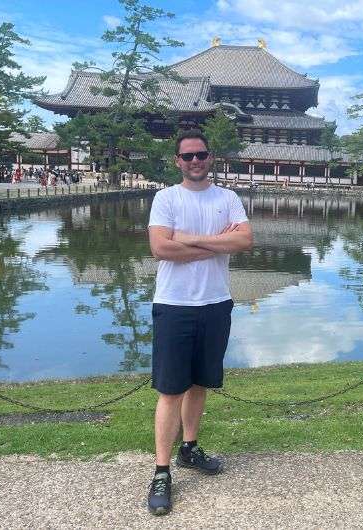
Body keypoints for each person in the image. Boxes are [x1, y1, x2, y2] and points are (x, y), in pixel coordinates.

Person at [146, 130, 253, 516]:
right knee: (171, 388)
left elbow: (243, 242)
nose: (195, 161)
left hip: (215, 303)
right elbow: (160, 248)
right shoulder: (166, 198)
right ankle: (161, 470)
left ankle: (189, 448)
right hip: (174, 305)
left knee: (200, 383)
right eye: (187, 156)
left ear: (211, 158)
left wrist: (187, 240)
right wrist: (213, 242)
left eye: (201, 155)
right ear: (177, 161)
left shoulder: (228, 198)